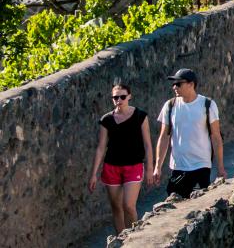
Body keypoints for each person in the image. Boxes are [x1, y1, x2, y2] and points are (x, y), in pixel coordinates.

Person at [86, 78, 154, 233]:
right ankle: (121, 241)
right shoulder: (107, 119)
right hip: (111, 166)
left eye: (122, 96)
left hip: (134, 165)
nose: (119, 100)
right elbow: (101, 147)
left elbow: (148, 144)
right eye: (115, 97)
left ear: (129, 96)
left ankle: (135, 238)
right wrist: (93, 174)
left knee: (128, 206)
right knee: (116, 207)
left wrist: (150, 168)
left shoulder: (140, 116)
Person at [153, 68, 225, 198]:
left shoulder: (207, 105)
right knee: (175, 204)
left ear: (191, 84)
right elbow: (164, 137)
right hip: (178, 166)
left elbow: (216, 137)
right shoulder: (170, 106)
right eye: (173, 84)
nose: (175, 87)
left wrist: (220, 167)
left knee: (198, 204)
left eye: (178, 83)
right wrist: (157, 166)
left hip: (201, 165)